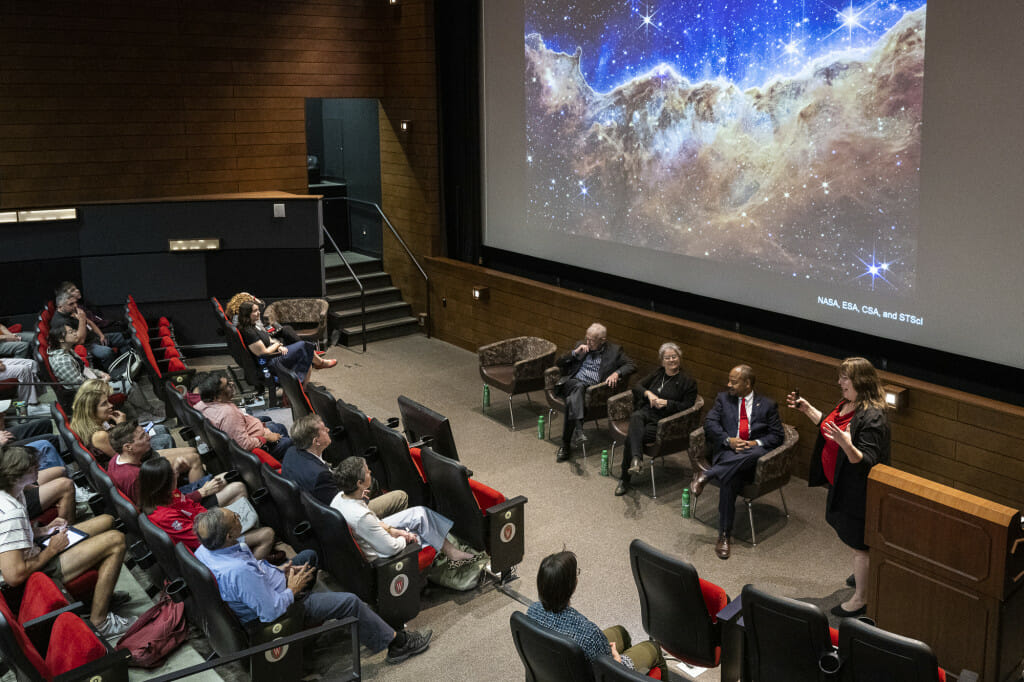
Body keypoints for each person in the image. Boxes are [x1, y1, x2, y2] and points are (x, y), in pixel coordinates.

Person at [193, 507, 432, 664]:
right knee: (349, 602)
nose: (237, 515)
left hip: (270, 584)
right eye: (233, 518)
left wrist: (281, 570)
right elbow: (270, 612)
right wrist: (292, 589)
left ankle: (324, 626)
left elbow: (255, 570)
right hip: (282, 610)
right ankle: (397, 644)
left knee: (308, 556)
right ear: (226, 536)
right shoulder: (238, 572)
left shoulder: (206, 549)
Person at [787, 356, 890, 617]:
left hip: (859, 493)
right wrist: (808, 410)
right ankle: (866, 571)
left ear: (861, 382)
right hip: (840, 484)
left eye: (845, 378)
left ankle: (861, 598)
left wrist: (846, 444)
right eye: (841, 377)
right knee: (854, 538)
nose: (840, 382)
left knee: (860, 545)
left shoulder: (873, 417)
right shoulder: (847, 403)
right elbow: (831, 428)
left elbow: (867, 461)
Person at [0, 445, 136, 639]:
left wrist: (43, 530)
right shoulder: (10, 512)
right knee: (116, 540)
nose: (38, 466)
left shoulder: (15, 491)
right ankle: (101, 622)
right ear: (16, 475)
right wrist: (52, 549)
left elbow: (14, 538)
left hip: (35, 553)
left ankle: (94, 595)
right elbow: (14, 576)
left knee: (107, 521)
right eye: (32, 466)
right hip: (33, 575)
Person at [691, 365, 784, 560]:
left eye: (734, 381)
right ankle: (724, 534)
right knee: (730, 478)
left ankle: (708, 474)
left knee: (754, 452)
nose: (729, 385)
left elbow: (777, 436)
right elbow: (710, 423)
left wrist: (753, 443)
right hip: (727, 452)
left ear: (747, 383)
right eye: (729, 380)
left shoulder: (767, 405)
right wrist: (728, 440)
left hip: (752, 458)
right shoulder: (723, 399)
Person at [527, 550, 666, 677]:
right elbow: (610, 671)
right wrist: (617, 660)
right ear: (572, 585)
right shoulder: (589, 635)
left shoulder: (532, 611)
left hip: (553, 673)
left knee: (620, 632)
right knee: (653, 648)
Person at [331, 456, 479, 563]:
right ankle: (448, 554)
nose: (370, 472)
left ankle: (452, 552)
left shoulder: (340, 497)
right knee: (423, 533)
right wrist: (405, 537)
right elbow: (390, 548)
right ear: (359, 483)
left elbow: (374, 522)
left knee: (420, 513)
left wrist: (394, 530)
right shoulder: (361, 516)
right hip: (380, 558)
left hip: (371, 534)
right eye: (368, 472)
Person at [138, 457, 278, 560]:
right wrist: (227, 526)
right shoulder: (164, 516)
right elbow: (202, 541)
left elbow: (194, 507)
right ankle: (252, 569)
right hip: (212, 546)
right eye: (172, 473)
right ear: (163, 483)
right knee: (267, 534)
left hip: (209, 524)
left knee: (238, 493)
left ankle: (250, 550)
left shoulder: (169, 493)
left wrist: (220, 517)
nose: (177, 473)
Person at [614, 342, 698, 496]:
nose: (671, 360)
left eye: (674, 357)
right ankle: (636, 461)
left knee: (631, 438)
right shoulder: (658, 373)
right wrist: (649, 394)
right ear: (662, 361)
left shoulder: (688, 382)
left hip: (665, 422)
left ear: (679, 358)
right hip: (647, 413)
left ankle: (626, 477)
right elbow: (638, 386)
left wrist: (667, 403)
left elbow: (688, 407)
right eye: (668, 358)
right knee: (637, 415)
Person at [281, 413, 408, 514]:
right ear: (316, 441)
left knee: (368, 481)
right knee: (400, 496)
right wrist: (361, 497)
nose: (328, 429)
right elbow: (341, 510)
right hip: (347, 517)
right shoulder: (320, 476)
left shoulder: (291, 452)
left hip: (313, 502)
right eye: (324, 430)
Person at [70, 380, 202, 476]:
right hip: (135, 464)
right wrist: (122, 425)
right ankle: (172, 474)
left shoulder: (97, 422)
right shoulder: (99, 435)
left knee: (161, 428)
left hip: (132, 453)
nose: (111, 405)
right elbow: (125, 456)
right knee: (168, 441)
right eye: (105, 404)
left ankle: (177, 472)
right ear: (91, 410)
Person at [107, 420, 245, 509]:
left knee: (226, 477)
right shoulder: (135, 476)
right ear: (128, 447)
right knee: (236, 485)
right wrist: (201, 493)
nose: (148, 437)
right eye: (142, 437)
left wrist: (174, 473)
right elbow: (162, 507)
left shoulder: (116, 460)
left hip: (175, 497)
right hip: (178, 510)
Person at [554, 322, 635, 462]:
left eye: (592, 340)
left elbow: (632, 365)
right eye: (587, 338)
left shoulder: (614, 351)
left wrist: (617, 373)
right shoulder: (581, 345)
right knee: (577, 387)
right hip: (571, 383)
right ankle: (578, 429)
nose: (588, 342)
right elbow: (559, 363)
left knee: (571, 401)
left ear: (602, 340)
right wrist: (574, 353)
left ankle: (566, 445)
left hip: (591, 390)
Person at [236, 301, 335, 385]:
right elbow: (263, 353)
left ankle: (303, 389)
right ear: (246, 314)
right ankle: (320, 364)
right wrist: (277, 345)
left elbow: (268, 339)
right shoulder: (249, 332)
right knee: (304, 346)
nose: (258, 313)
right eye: (255, 311)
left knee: (305, 354)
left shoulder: (253, 325)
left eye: (258, 310)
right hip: (269, 363)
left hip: (273, 355)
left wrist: (276, 345)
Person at [194, 373, 291, 457]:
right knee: (287, 441)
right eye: (227, 385)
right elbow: (244, 445)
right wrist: (265, 438)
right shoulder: (228, 413)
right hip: (256, 448)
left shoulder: (200, 404)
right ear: (217, 397)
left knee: (277, 426)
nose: (232, 384)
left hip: (249, 432)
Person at [51, 290, 126, 371]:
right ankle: (112, 373)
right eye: (71, 304)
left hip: (93, 338)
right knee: (107, 352)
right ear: (60, 307)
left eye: (75, 302)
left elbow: (89, 322)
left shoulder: (70, 310)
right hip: (84, 347)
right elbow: (80, 341)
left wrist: (101, 335)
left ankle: (125, 365)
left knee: (123, 337)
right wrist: (82, 320)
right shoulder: (60, 322)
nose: (75, 306)